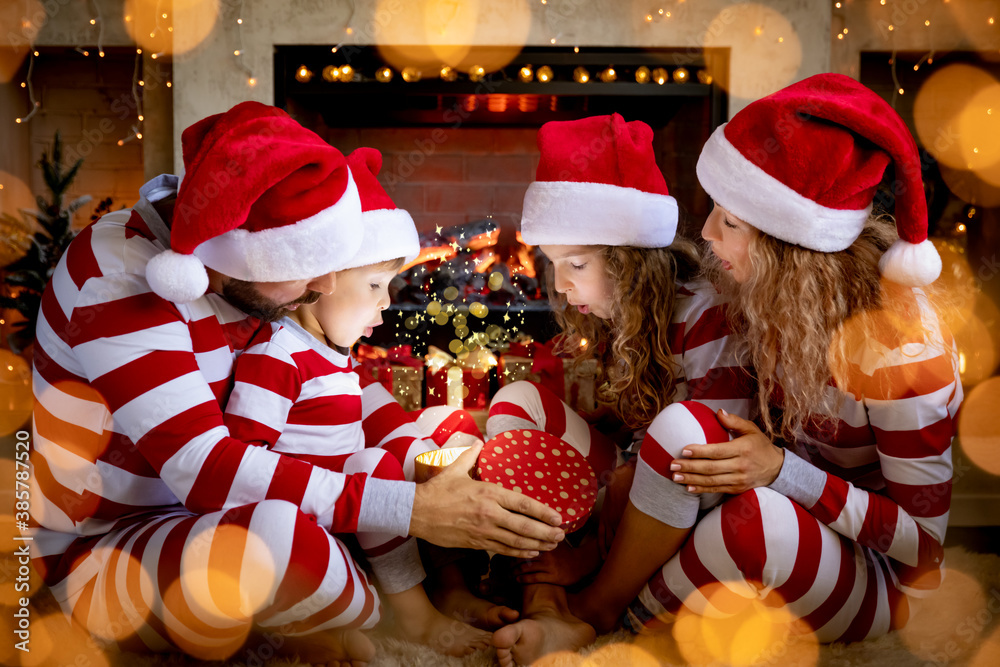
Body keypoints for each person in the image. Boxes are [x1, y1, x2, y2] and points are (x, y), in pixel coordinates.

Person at [28, 102, 564, 666]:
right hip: (104, 548)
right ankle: (368, 621)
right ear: (246, 250)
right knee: (282, 543)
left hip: (209, 515)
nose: (327, 284)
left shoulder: (244, 273)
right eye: (311, 264)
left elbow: (347, 385)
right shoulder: (117, 279)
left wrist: (428, 464)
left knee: (395, 459)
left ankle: (335, 623)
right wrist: (413, 510)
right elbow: (205, 469)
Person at [505, 74, 962, 664]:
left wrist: (783, 473)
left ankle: (596, 613)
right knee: (682, 434)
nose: (706, 236)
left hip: (877, 576)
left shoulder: (900, 347)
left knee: (753, 520)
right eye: (716, 212)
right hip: (778, 510)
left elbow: (923, 547)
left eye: (732, 224)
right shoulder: (772, 305)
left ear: (791, 250)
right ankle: (574, 601)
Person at [484, 113, 753, 666]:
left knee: (674, 443)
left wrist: (591, 556)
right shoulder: (626, 318)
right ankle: (546, 601)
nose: (560, 285)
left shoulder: (706, 317)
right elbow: (630, 446)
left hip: (694, 500)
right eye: (554, 265)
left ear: (632, 264)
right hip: (637, 490)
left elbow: (704, 469)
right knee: (517, 401)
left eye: (577, 264)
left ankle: (595, 606)